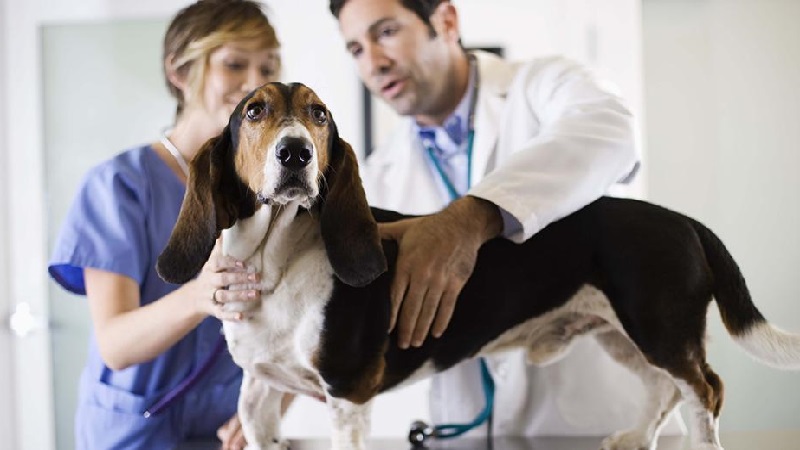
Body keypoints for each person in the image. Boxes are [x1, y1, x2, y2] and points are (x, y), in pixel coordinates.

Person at [329, 0, 685, 437]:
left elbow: (611, 131)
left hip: (597, 427)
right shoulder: (379, 175)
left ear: (446, 20)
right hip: (465, 433)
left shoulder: (543, 85)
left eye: (386, 33)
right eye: (356, 49)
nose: (374, 63)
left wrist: (471, 219)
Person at [47, 1, 283, 449]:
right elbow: (115, 344)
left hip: (224, 431)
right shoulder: (120, 187)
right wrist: (201, 295)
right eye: (235, 64)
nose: (256, 84)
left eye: (268, 68)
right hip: (133, 433)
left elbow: (289, 318)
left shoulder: (268, 190)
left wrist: (271, 401)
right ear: (180, 72)